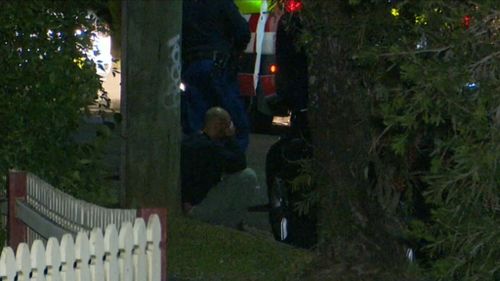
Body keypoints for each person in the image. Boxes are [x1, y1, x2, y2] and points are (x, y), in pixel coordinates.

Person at [181, 0, 251, 151]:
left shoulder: (183, 4)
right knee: (234, 121)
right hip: (218, 67)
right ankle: (232, 164)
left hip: (191, 66)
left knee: (196, 122)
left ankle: (200, 164)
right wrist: (234, 51)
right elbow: (242, 32)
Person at [181, 107, 265, 228]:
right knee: (248, 176)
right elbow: (239, 163)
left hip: (190, 201)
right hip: (197, 207)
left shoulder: (192, 140)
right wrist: (231, 137)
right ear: (219, 125)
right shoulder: (209, 148)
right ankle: (230, 224)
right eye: (228, 124)